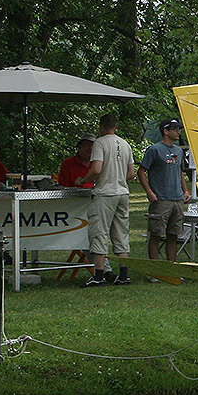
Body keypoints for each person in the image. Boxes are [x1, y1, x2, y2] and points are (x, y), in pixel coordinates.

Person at [83, 113, 135, 287]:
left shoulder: (100, 142)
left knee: (100, 232)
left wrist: (84, 180)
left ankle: (98, 275)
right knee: (121, 233)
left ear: (101, 126)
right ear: (115, 127)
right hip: (122, 192)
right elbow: (131, 174)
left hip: (105, 193)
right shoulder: (126, 144)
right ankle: (124, 274)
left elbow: (96, 168)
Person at [138, 118, 191, 262]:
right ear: (166, 131)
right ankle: (156, 270)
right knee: (156, 234)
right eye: (175, 129)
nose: (178, 132)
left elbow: (180, 172)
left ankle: (171, 267)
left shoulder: (179, 151)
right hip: (161, 199)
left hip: (177, 199)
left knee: (173, 235)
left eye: (179, 129)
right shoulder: (155, 150)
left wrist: (185, 191)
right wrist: (149, 192)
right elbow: (141, 171)